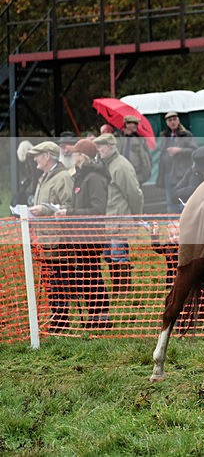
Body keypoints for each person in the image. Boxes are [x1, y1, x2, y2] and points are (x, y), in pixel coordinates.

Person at [56, 138, 112, 329]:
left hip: (91, 236)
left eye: (75, 153)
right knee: (88, 275)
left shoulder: (94, 178)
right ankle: (94, 315)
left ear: (82, 156)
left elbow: (98, 210)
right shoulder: (81, 176)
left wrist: (70, 213)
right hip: (81, 236)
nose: (72, 156)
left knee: (92, 275)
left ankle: (101, 316)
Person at [26, 141, 74, 331]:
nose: (35, 158)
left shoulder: (62, 177)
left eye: (37, 155)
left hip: (57, 240)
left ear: (47, 156)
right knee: (52, 283)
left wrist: (43, 210)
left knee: (58, 283)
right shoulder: (45, 177)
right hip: (46, 239)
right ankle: (57, 320)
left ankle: (61, 323)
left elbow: (68, 207)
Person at [94, 133, 143, 295]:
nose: (98, 149)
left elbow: (134, 194)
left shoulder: (121, 166)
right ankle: (118, 289)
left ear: (109, 146)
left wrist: (136, 216)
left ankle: (123, 291)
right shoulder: (105, 164)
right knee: (110, 255)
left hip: (119, 220)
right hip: (109, 220)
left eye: (100, 146)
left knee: (119, 255)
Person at [156, 112, 197, 213]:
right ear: (167, 123)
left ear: (178, 120)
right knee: (170, 202)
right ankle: (172, 225)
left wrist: (179, 150)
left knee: (182, 201)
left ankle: (183, 223)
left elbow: (194, 150)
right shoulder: (164, 136)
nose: (173, 122)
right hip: (167, 174)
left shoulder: (186, 134)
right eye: (170, 120)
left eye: (174, 119)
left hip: (181, 174)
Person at [119, 114, 152, 185]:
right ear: (127, 124)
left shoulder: (140, 140)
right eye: (134, 123)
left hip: (136, 175)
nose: (136, 125)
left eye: (137, 123)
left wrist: (142, 177)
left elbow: (146, 158)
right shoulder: (118, 138)